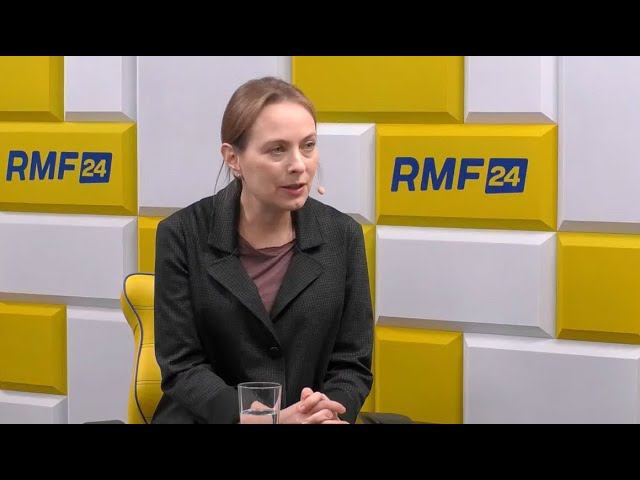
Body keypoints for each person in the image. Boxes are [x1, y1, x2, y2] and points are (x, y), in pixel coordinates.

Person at [152, 76, 373, 424]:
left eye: (308, 145)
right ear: (233, 158)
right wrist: (267, 420)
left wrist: (325, 412)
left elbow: (352, 363)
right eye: (277, 150)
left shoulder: (343, 235)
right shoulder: (181, 234)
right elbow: (182, 366)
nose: (299, 164)